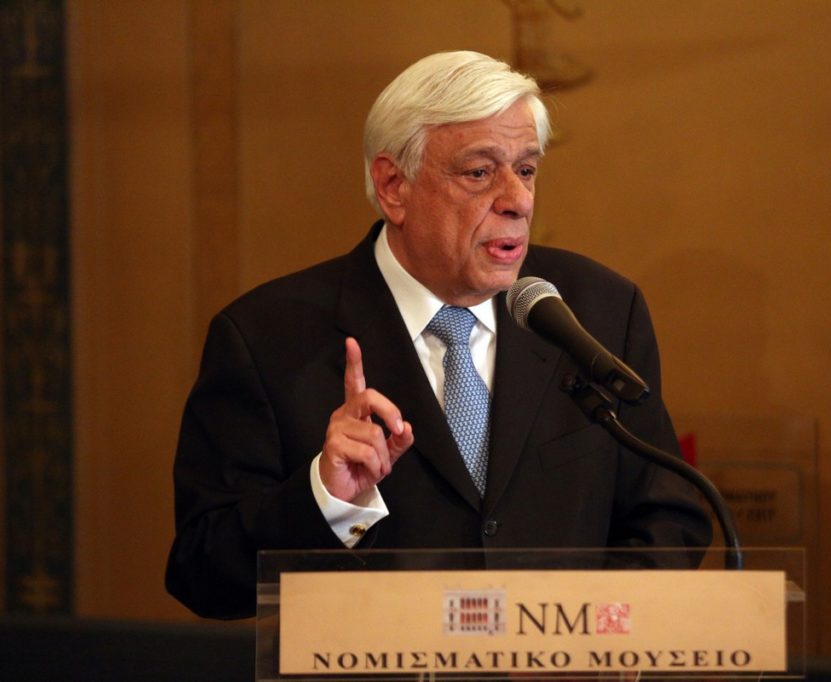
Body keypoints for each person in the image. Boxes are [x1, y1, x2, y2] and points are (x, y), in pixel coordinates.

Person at [166, 50, 711, 620]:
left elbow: (667, 517)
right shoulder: (266, 338)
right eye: (480, 172)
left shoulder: (599, 310)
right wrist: (324, 498)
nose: (518, 200)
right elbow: (203, 574)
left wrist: (582, 632)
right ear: (393, 186)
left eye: (526, 170)